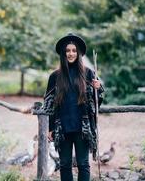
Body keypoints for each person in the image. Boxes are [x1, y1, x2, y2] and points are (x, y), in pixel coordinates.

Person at [46, 33, 104, 181]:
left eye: (74, 50)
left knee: (83, 164)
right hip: (62, 128)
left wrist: (98, 88)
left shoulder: (88, 73)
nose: (71, 53)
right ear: (63, 54)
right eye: (67, 51)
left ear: (78, 53)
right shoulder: (55, 76)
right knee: (65, 164)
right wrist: (51, 128)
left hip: (83, 128)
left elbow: (97, 102)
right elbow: (49, 104)